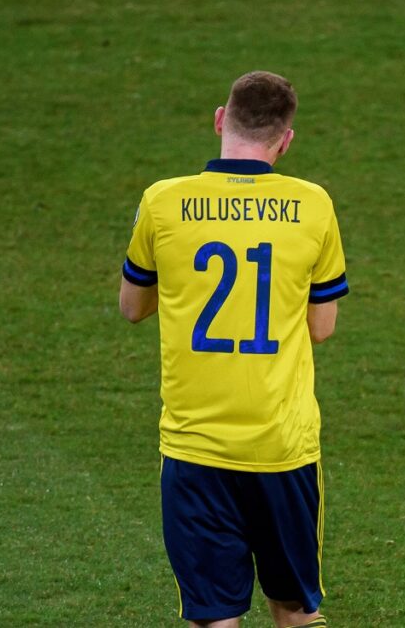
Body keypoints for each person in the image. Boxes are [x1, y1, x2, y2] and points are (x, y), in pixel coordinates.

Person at [119, 71, 348, 628]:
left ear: (221, 120)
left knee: (214, 615)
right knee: (295, 608)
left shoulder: (163, 201)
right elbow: (322, 327)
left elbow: (132, 307)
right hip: (283, 448)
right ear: (285, 140)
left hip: (196, 449)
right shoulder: (313, 204)